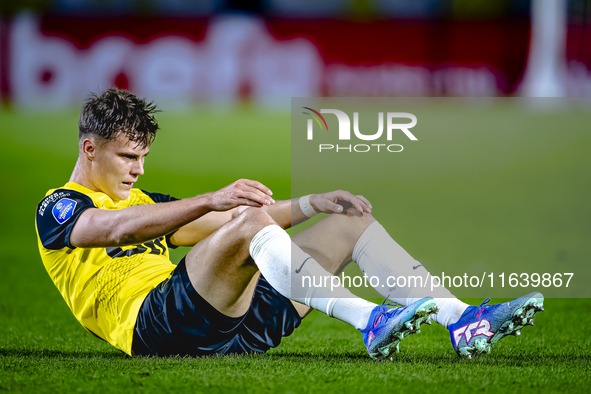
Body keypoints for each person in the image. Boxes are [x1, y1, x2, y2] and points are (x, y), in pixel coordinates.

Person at [35, 89, 544, 360]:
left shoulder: (145, 202)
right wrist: (209, 198)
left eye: (143, 157)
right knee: (246, 223)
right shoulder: (58, 207)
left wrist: (312, 202)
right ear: (89, 149)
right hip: (155, 327)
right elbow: (112, 230)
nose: (138, 169)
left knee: (350, 222)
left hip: (224, 323)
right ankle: (370, 321)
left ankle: (461, 320)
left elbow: (233, 221)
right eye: (128, 157)